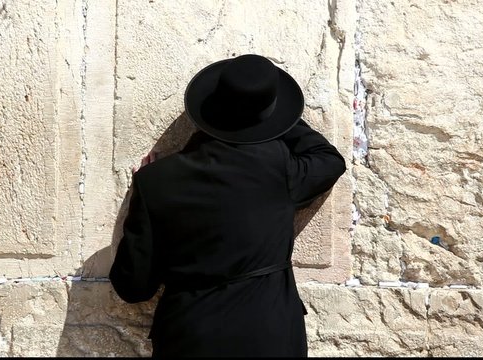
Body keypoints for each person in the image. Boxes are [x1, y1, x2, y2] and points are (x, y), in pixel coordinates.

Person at [109, 54, 346, 357]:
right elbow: (329, 160)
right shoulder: (278, 168)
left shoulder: (156, 181)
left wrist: (143, 192)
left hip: (189, 338)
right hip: (269, 337)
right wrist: (277, 119)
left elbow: (133, 287)